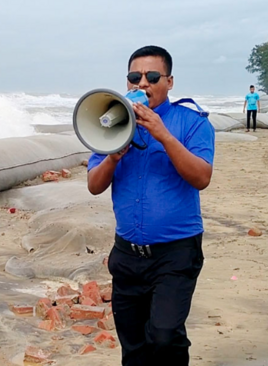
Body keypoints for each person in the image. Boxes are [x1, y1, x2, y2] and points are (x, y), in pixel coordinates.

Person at [87, 45, 215, 366]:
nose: (142, 83)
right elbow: (94, 185)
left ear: (169, 82)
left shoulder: (192, 122)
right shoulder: (112, 124)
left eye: (152, 76)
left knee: (164, 334)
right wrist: (114, 155)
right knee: (133, 347)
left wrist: (163, 135)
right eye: (135, 76)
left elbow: (201, 177)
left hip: (175, 254)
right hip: (127, 256)